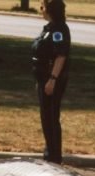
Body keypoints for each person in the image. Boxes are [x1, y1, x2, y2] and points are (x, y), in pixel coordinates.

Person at [31, 0, 71, 164]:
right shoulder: (49, 28)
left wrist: (52, 80)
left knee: (51, 117)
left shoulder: (59, 30)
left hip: (52, 80)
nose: (40, 10)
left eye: (42, 7)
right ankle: (49, 154)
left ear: (50, 10)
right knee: (46, 117)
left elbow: (61, 56)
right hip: (43, 79)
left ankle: (54, 158)